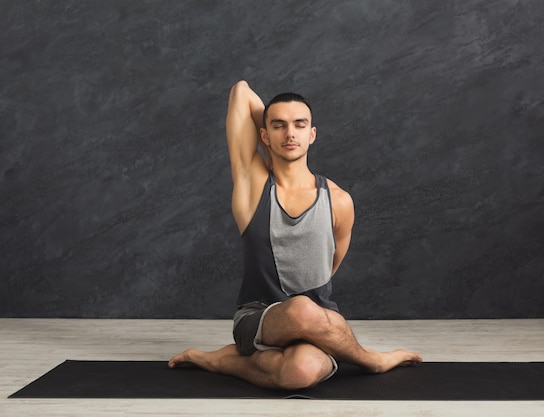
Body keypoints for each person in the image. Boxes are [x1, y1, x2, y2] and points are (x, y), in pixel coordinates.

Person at [168, 80, 422, 390]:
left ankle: (223, 361)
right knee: (302, 308)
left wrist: (311, 321)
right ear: (263, 133)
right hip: (257, 318)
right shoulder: (253, 187)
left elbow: (328, 268)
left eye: (300, 125)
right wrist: (272, 146)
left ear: (312, 134)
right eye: (278, 126)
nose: (290, 133)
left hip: (317, 323)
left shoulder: (339, 201)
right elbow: (241, 91)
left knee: (298, 372)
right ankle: (372, 360)